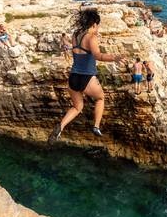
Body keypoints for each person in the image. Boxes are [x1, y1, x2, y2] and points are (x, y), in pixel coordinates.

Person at [48, 9, 125, 143]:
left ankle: (60, 127)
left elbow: (75, 50)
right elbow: (97, 55)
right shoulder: (91, 37)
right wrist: (114, 57)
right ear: (94, 24)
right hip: (87, 78)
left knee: (77, 107)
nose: (98, 29)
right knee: (100, 98)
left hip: (73, 77)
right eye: (98, 26)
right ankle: (96, 126)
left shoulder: (75, 34)